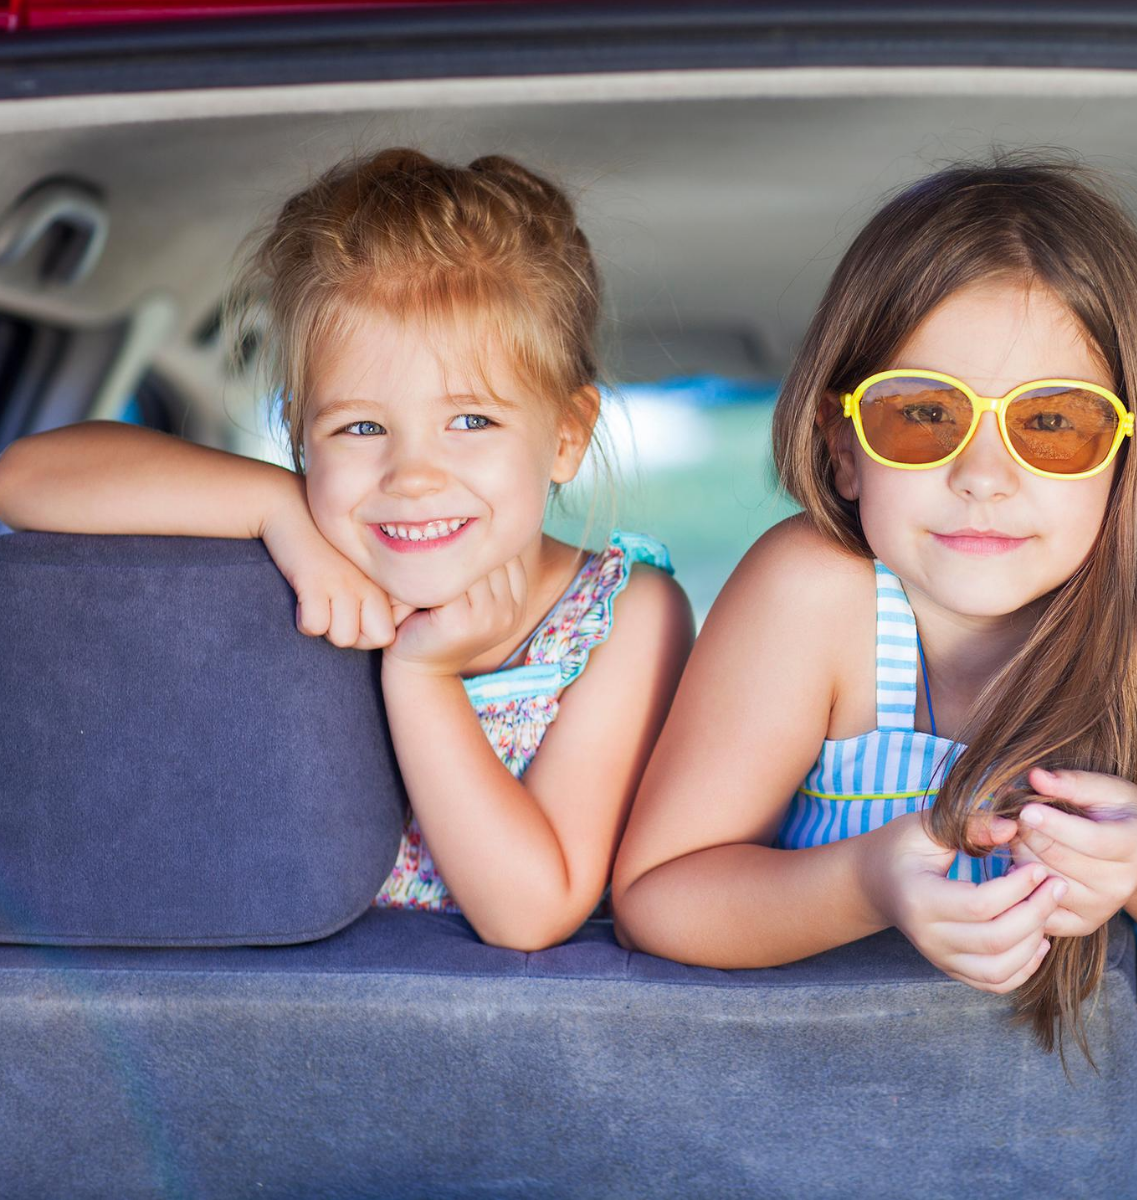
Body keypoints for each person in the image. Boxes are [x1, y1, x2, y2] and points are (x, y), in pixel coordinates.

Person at [611, 158, 1137, 1054]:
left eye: (1054, 423)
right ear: (842, 446)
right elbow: (659, 897)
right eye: (923, 417)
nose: (983, 475)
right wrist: (866, 884)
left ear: (1127, 453)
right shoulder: (813, 593)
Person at [0, 149, 692, 951]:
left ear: (567, 436)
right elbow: (23, 477)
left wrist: (422, 674)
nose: (413, 476)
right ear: (300, 436)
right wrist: (273, 508)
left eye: (471, 421)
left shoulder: (621, 617)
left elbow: (532, 911)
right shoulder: (318, 545)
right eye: (359, 427)